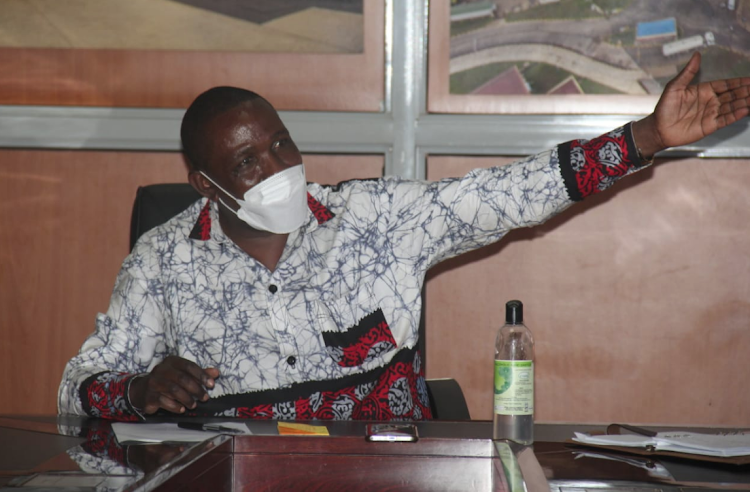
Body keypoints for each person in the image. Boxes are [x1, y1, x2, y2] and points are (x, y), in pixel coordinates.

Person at [59, 52, 750, 421]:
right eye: (248, 163)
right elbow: (77, 388)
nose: (279, 169)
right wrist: (138, 389)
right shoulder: (161, 260)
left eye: (281, 144)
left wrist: (646, 139)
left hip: (381, 474)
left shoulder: (375, 222)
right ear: (207, 187)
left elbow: (508, 196)